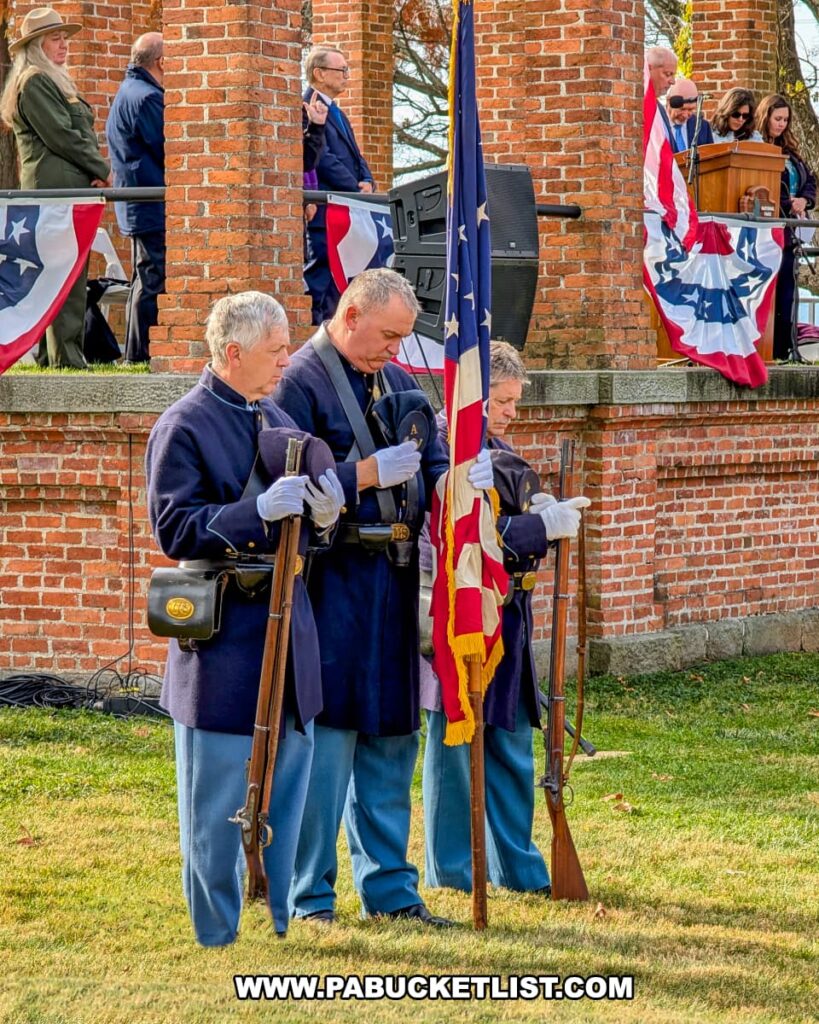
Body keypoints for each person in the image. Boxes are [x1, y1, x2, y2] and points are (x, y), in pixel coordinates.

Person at [275, 268, 494, 927]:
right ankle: (308, 896)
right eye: (388, 336)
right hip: (332, 580)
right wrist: (362, 473)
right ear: (349, 314)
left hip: (394, 584)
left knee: (391, 744)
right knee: (328, 747)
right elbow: (284, 479)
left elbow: (433, 463)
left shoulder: (398, 381)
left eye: (403, 339)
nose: (395, 352)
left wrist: (459, 477)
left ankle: (391, 892)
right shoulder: (298, 381)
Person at [145, 291, 346, 947]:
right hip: (226, 634)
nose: (288, 360)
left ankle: (280, 917)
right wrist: (253, 513)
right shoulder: (185, 424)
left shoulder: (276, 414)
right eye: (274, 350)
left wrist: (321, 518)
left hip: (290, 627)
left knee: (288, 781)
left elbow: (305, 528)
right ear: (232, 353)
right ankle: (215, 932)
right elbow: (174, 527)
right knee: (216, 799)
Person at [421, 341, 590, 895]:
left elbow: (510, 506)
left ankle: (517, 867)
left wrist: (539, 508)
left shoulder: (496, 453)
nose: (511, 411)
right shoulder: (441, 454)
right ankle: (451, 872)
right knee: (455, 750)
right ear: (473, 397)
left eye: (515, 401)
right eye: (501, 401)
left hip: (510, 615)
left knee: (512, 746)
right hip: (464, 613)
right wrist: (542, 528)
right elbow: (468, 538)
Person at [0, 6, 110, 368]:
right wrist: (100, 168)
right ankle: (66, 357)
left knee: (69, 275)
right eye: (55, 39)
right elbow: (62, 136)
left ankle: (58, 355)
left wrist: (91, 171)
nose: (64, 45)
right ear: (36, 46)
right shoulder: (35, 81)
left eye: (64, 38)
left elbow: (73, 135)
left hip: (68, 189)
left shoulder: (51, 80)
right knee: (64, 277)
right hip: (55, 194)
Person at [302, 46, 374, 325]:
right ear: (319, 73)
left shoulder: (339, 113)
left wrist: (367, 180)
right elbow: (322, 159)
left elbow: (355, 154)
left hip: (347, 207)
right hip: (326, 209)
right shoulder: (308, 106)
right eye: (341, 70)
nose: (347, 75)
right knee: (320, 277)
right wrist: (354, 187)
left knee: (338, 281)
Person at [105, 32, 165, 365]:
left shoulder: (129, 90)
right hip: (148, 203)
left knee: (144, 277)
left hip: (138, 203)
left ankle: (135, 354)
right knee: (152, 278)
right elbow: (167, 148)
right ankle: (139, 355)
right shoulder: (147, 98)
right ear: (162, 62)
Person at [756, 94, 817, 359]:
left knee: (788, 291)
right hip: (771, 225)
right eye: (777, 119)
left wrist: (805, 200)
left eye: (785, 120)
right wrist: (786, 202)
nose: (781, 125)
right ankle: (769, 348)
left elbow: (810, 180)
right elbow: (762, 183)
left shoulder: (791, 151)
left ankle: (786, 347)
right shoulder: (758, 147)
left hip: (792, 227)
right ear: (766, 117)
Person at [665, 78, 714, 152]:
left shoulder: (703, 127)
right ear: (668, 101)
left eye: (690, 110)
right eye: (682, 109)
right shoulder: (656, 125)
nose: (685, 115)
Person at [646, 46, 678, 148]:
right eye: (668, 74)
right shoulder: (636, 107)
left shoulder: (660, 109)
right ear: (649, 68)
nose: (673, 81)